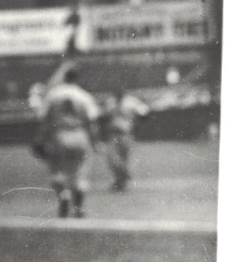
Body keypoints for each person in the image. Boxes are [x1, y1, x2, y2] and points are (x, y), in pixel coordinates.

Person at [34, 60, 101, 218]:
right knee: (80, 172)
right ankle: (78, 207)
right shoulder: (83, 95)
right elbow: (92, 122)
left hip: (59, 135)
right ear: (77, 78)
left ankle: (64, 195)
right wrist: (96, 141)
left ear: (64, 77)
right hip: (79, 134)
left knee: (57, 170)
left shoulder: (53, 94)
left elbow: (43, 120)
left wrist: (40, 139)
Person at [102, 90, 150, 191]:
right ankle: (124, 174)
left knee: (124, 157)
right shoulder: (110, 102)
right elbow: (103, 116)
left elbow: (145, 113)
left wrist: (136, 123)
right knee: (112, 158)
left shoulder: (131, 101)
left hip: (126, 133)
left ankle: (120, 182)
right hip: (113, 134)